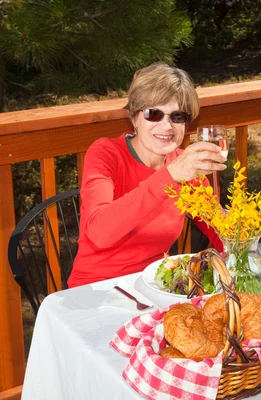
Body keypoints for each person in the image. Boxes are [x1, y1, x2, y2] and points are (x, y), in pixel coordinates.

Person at [68, 62, 226, 288]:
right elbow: (99, 232)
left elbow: (222, 230)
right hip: (96, 290)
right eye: (154, 114)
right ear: (134, 117)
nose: (166, 126)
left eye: (177, 116)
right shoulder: (106, 153)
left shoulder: (184, 167)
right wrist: (170, 176)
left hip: (155, 287)